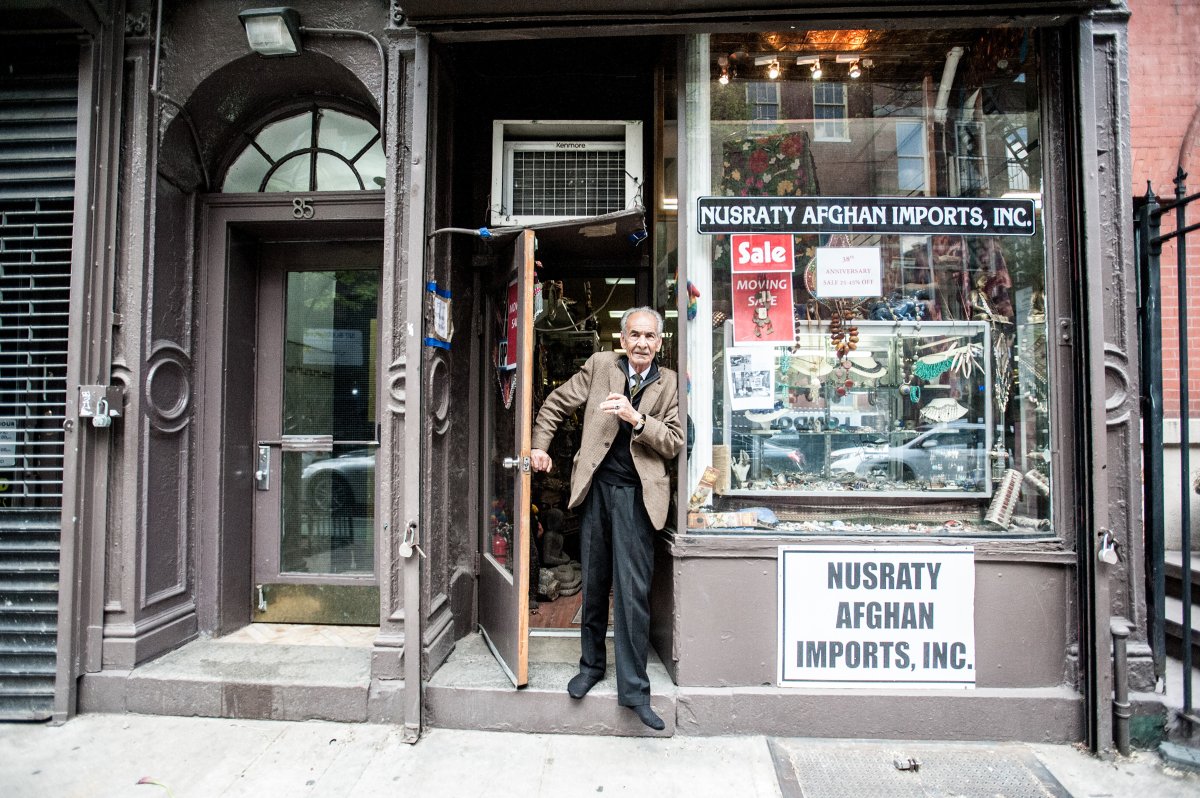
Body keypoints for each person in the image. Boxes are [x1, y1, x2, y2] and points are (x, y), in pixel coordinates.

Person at [530, 307, 683, 730]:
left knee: (632, 593)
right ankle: (590, 666)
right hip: (597, 491)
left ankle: (634, 690)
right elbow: (556, 403)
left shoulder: (668, 383)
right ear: (622, 338)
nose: (641, 343)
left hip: (638, 498)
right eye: (634, 334)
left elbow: (673, 442)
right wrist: (539, 446)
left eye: (649, 336)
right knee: (594, 581)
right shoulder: (600, 366)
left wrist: (637, 419)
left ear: (659, 341)